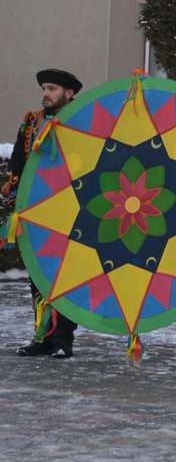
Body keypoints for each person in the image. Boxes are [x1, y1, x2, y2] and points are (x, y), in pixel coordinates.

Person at [9, 69, 83, 357]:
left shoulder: (81, 122)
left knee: (67, 276)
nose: (45, 93)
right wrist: (16, 202)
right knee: (39, 277)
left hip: (74, 213)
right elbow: (19, 164)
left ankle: (63, 340)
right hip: (37, 213)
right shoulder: (31, 124)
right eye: (44, 88)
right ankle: (42, 336)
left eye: (52, 88)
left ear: (69, 93)